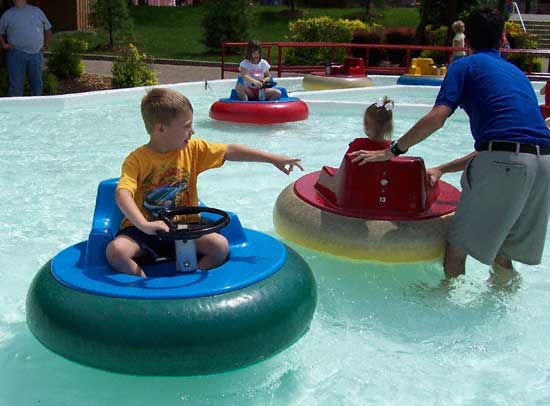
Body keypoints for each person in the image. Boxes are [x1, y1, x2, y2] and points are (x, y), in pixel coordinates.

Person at [351, 7, 550, 281]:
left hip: (507, 163)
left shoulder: (464, 66)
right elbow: (505, 148)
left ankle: (444, 303)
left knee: (457, 244)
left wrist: (393, 151)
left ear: (466, 41)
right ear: (501, 39)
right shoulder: (516, 74)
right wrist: (442, 169)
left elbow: (438, 117)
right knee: (503, 248)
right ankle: (502, 298)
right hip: (544, 164)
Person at [106, 88, 303, 277]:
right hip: (146, 231)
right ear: (161, 128)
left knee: (219, 246)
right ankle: (145, 286)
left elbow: (230, 151)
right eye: (186, 126)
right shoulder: (137, 160)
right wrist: (144, 224)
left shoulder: (193, 150)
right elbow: (122, 192)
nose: (192, 131)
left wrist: (272, 158)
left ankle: (191, 282)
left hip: (185, 228)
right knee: (116, 251)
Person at [0, 0, 52, 96]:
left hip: (36, 54)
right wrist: (3, 44)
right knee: (16, 86)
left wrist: (46, 45)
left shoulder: (37, 11)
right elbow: (0, 32)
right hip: (16, 54)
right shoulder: (8, 14)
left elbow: (48, 29)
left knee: (37, 85)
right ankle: (15, 110)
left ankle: (36, 109)